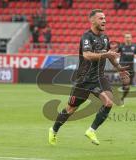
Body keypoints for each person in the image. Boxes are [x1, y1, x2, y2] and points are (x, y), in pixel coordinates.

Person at [48, 9, 129, 146]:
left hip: (99, 78)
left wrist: (118, 67)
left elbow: (110, 55)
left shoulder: (105, 38)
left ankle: (91, 130)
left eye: (104, 18)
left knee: (109, 102)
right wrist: (106, 55)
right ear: (92, 21)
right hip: (84, 80)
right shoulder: (86, 37)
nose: (104, 20)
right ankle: (54, 129)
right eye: (100, 18)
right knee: (70, 109)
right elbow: (87, 55)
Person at [118, 33, 136, 107]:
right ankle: (122, 99)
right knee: (126, 85)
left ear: (131, 38)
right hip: (123, 68)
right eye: (126, 37)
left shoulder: (135, 46)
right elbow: (115, 54)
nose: (128, 38)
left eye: (129, 37)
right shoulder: (121, 46)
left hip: (131, 68)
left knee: (127, 88)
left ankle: (122, 98)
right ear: (124, 38)